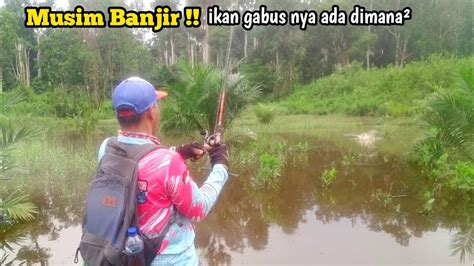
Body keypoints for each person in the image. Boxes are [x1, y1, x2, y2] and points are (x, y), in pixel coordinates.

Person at [98, 76, 229, 265]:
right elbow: (199, 209)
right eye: (157, 104)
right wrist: (221, 165)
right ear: (151, 112)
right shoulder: (168, 163)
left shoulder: (107, 148)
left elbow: (139, 159)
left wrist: (179, 152)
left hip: (124, 253)